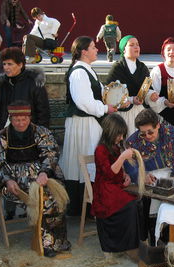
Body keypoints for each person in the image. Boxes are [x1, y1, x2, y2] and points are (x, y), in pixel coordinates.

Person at [0, 102, 71, 257]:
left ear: (29, 117)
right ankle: (45, 244)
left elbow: (51, 153)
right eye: (17, 120)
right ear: (11, 118)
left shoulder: (41, 132)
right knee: (44, 202)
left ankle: (58, 243)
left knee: (56, 199)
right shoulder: (0, 136)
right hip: (15, 178)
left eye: (24, 119)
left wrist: (44, 172)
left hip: (41, 174)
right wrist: (7, 180)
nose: (21, 123)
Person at [59, 36, 116, 216]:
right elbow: (84, 102)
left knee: (90, 160)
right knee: (83, 161)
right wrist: (105, 108)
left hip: (90, 122)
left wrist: (120, 96)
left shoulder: (87, 70)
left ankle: (90, 206)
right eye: (93, 47)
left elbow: (101, 92)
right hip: (82, 124)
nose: (96, 49)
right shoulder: (79, 72)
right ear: (84, 51)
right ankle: (81, 207)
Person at [126, 108, 174, 245]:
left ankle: (166, 234)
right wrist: (142, 175)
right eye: (143, 133)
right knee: (148, 203)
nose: (147, 136)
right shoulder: (134, 142)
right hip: (152, 179)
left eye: (150, 132)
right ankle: (155, 238)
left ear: (158, 125)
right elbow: (131, 164)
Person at [92, 113, 141, 260]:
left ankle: (132, 244)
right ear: (110, 131)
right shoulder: (100, 149)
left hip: (115, 186)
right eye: (119, 134)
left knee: (138, 201)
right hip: (104, 190)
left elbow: (118, 171)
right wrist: (122, 157)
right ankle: (127, 247)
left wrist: (125, 175)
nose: (121, 138)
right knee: (130, 205)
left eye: (122, 135)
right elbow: (109, 173)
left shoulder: (114, 147)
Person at [106, 35, 158, 136]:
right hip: (123, 114)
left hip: (140, 113)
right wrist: (130, 99)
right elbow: (110, 94)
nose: (136, 47)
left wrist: (151, 95)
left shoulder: (142, 67)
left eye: (137, 45)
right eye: (132, 45)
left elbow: (146, 88)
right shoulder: (117, 68)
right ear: (123, 49)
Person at [0, 47, 50, 133]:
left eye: (10, 64)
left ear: (20, 65)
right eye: (4, 64)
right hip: (2, 131)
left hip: (27, 131)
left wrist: (39, 133)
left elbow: (43, 112)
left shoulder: (34, 82)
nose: (6, 68)